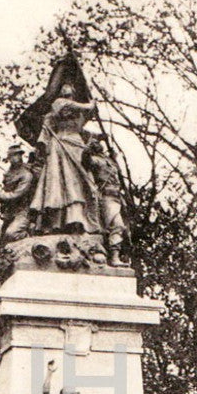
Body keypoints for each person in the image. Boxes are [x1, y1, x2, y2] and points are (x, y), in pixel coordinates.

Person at [29, 84, 101, 235]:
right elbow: (48, 125)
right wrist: (90, 104)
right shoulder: (59, 105)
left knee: (80, 182)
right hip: (59, 146)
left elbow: (85, 123)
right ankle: (55, 222)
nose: (66, 95)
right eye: (63, 93)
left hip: (76, 145)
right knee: (58, 184)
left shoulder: (79, 114)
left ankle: (78, 219)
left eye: (69, 93)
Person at [83, 133, 129, 266]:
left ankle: (116, 255)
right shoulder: (95, 160)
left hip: (117, 197)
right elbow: (85, 161)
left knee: (123, 228)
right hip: (106, 196)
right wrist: (87, 147)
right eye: (95, 143)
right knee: (117, 225)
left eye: (99, 142)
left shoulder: (109, 160)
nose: (99, 145)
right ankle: (114, 257)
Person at [0, 144, 35, 243]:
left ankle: (32, 236)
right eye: (14, 155)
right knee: (3, 243)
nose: (17, 158)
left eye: (19, 155)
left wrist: (1, 195)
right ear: (9, 158)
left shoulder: (26, 175)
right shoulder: (9, 174)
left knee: (11, 233)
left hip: (23, 211)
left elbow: (17, 194)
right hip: (9, 212)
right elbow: (6, 192)